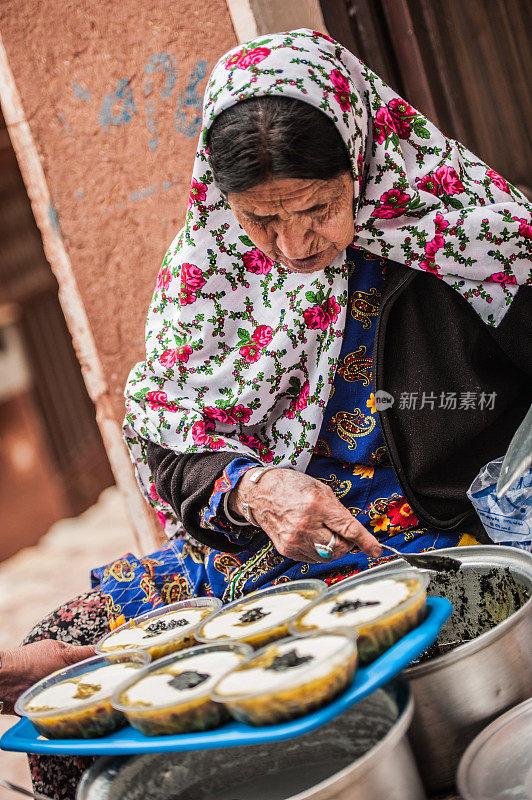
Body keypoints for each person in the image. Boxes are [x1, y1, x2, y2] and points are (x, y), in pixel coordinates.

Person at [23, 29, 531, 799]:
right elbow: (171, 450)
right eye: (261, 219)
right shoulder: (208, 273)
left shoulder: (472, 233)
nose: (292, 245)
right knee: (59, 693)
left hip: (434, 536)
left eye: (318, 209)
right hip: (253, 546)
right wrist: (251, 487)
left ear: (359, 160)